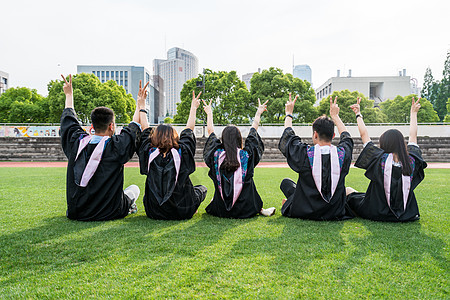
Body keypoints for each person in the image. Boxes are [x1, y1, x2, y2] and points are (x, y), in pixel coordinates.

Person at [60, 74, 143, 221]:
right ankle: (129, 206)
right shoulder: (116, 145)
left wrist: (69, 95)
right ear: (111, 126)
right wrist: (140, 104)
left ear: (92, 127)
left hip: (77, 212)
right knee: (134, 189)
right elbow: (133, 127)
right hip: (111, 211)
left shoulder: (77, 142)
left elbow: (69, 121)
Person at [346, 97, 426, 222]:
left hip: (375, 211)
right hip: (406, 214)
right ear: (401, 143)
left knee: (348, 191)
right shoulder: (411, 161)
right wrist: (413, 113)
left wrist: (358, 114)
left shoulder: (379, 158)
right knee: (359, 194)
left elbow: (364, 135)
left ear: (384, 143)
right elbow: (413, 136)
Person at [278, 95, 354, 220]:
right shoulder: (342, 154)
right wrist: (336, 116)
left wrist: (289, 114)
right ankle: (290, 201)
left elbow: (288, 137)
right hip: (334, 211)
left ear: (315, 134)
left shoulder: (305, 153)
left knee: (286, 183)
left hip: (304, 209)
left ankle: (289, 202)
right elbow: (346, 137)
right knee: (287, 184)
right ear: (333, 135)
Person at [137, 89, 207, 220]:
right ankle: (194, 208)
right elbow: (189, 130)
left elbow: (145, 130)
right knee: (202, 189)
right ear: (175, 137)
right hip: (182, 211)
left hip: (154, 211)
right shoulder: (182, 151)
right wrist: (193, 108)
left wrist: (141, 105)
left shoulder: (149, 152)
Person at [202, 98, 276, 218]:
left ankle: (216, 201)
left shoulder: (216, 155)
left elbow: (210, 132)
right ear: (239, 139)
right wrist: (258, 113)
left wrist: (209, 113)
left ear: (223, 139)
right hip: (246, 209)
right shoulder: (246, 155)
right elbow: (253, 131)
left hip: (220, 210)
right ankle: (260, 209)